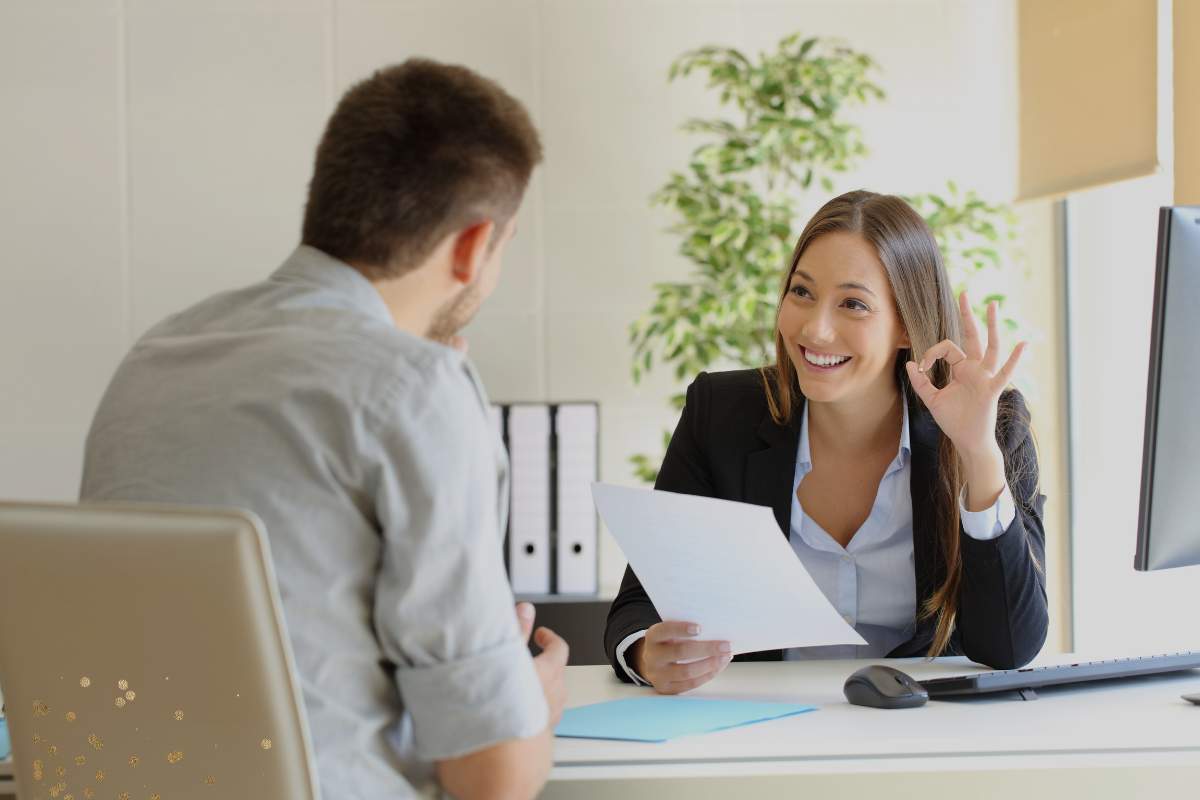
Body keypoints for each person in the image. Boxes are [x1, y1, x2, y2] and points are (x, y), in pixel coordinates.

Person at [80, 59, 567, 799]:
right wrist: (533, 698)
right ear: (473, 248)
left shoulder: (157, 354)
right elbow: (491, 778)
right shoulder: (416, 390)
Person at [604, 190, 1048, 694]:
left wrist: (977, 452)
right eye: (802, 292)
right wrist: (647, 651)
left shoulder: (992, 423)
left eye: (853, 304)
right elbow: (639, 604)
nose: (815, 328)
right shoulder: (720, 414)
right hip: (759, 724)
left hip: (921, 734)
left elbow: (1010, 646)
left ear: (906, 325)